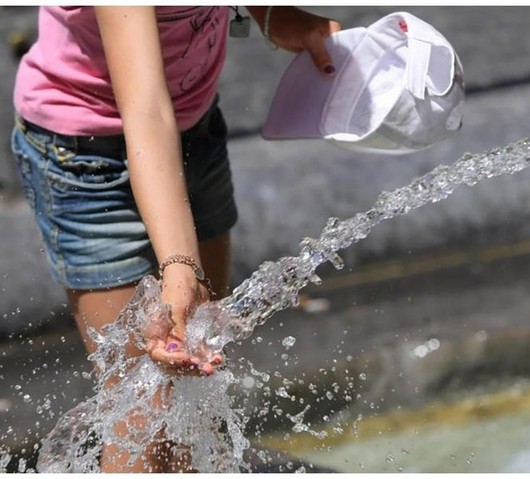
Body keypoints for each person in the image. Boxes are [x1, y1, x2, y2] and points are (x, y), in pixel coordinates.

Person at [11, 5, 341, 472]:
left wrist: (268, 13)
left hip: (194, 131)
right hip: (87, 159)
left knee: (194, 400)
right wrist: (181, 265)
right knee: (143, 424)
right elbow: (144, 109)